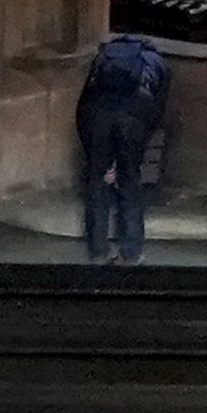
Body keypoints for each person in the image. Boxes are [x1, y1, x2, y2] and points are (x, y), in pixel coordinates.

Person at [73, 33, 171, 263]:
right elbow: (157, 110)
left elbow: (83, 105)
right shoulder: (158, 64)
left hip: (96, 116)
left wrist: (97, 157)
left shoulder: (101, 60)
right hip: (134, 117)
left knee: (96, 181)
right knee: (130, 181)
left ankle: (98, 252)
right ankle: (132, 253)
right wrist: (134, 149)